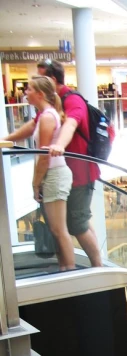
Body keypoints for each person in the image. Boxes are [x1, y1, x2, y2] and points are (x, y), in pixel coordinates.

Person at [44, 61, 102, 267]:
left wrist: (59, 144)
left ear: (51, 79)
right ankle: (99, 266)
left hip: (80, 173)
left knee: (77, 224)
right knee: (79, 221)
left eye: (40, 79)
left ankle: (98, 268)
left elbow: (71, 123)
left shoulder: (72, 100)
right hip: (71, 173)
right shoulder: (55, 103)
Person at [25, 76, 75, 270]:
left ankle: (69, 272)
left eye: (29, 89)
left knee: (59, 229)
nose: (25, 93)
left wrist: (35, 183)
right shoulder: (48, 114)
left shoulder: (47, 117)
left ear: (39, 94)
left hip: (54, 174)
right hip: (53, 174)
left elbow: (44, 156)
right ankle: (65, 268)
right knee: (57, 230)